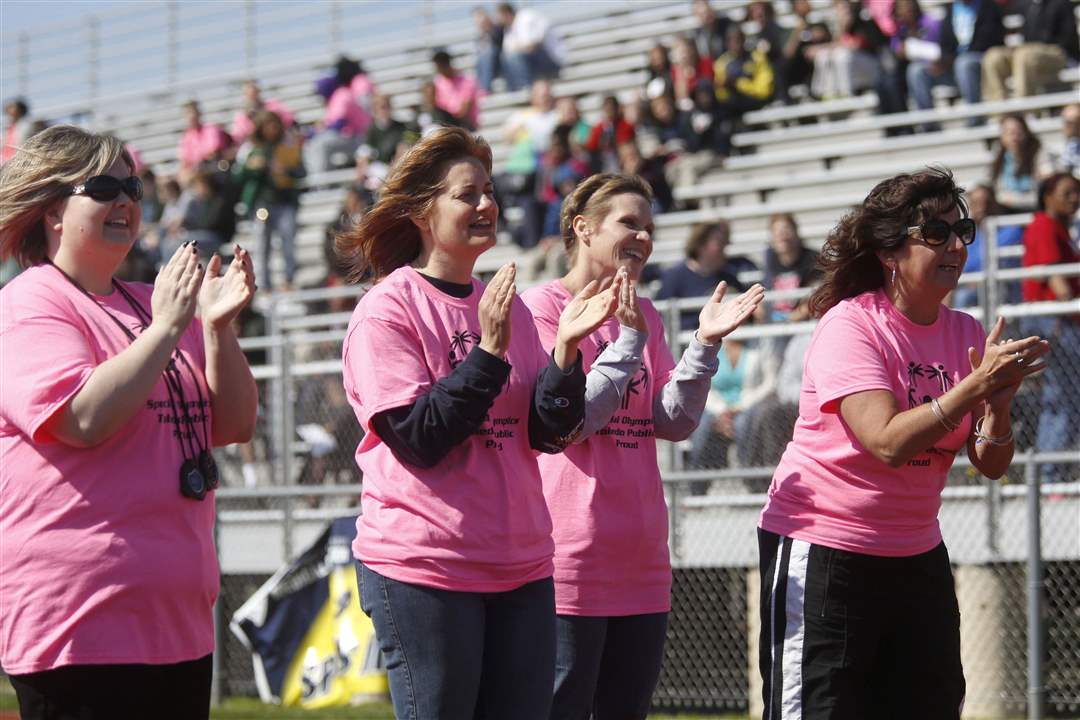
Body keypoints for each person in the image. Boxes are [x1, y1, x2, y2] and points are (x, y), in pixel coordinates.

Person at [334, 127, 621, 719]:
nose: (487, 204)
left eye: (489, 191)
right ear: (421, 211)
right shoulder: (387, 309)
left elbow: (546, 434)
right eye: (468, 195)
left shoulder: (506, 304)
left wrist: (566, 354)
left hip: (521, 567)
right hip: (425, 569)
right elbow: (420, 438)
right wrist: (487, 354)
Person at [758, 167, 1050, 718]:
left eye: (961, 230)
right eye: (934, 233)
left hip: (916, 557)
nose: (954, 246)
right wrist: (973, 388)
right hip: (827, 551)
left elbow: (990, 463)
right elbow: (886, 441)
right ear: (890, 253)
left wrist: (1000, 404)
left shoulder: (964, 330)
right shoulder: (852, 325)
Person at [0, 125, 258, 719]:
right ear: (53, 213)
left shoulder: (153, 300)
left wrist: (216, 329)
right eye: (104, 186)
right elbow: (84, 418)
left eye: (133, 186)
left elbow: (234, 424)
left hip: (176, 623)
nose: (126, 199)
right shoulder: (29, 304)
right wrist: (168, 329)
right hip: (80, 626)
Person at [520, 173, 763, 720]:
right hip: (569, 556)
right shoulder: (539, 309)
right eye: (630, 223)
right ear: (583, 228)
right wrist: (627, 342)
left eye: (650, 229)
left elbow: (670, 422)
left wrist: (703, 346)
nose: (644, 239)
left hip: (642, 556)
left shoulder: (645, 314)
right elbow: (570, 422)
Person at [1020, 172, 1079, 483]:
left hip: (1059, 320)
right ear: (1048, 195)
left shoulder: (1060, 228)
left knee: (1065, 396)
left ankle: (1053, 473)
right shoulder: (1043, 225)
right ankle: (1050, 476)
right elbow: (1056, 279)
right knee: (1062, 396)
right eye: (1068, 192)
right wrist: (1070, 305)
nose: (1075, 198)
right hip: (1055, 321)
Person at [233, 110, 305, 292]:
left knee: (288, 240)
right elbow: (238, 176)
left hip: (284, 201)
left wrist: (285, 170)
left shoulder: (287, 146)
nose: (271, 129)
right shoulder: (252, 149)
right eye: (267, 125)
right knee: (262, 242)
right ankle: (264, 284)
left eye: (274, 125)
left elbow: (301, 171)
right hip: (263, 204)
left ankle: (289, 279)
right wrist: (254, 168)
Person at [656, 220, 755, 329]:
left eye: (724, 242)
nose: (724, 247)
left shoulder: (729, 277)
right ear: (700, 245)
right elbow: (660, 316)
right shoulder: (674, 277)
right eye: (718, 242)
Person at [981, 0, 1079, 103]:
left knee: (1024, 54)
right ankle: (1002, 113)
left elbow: (1067, 40)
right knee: (993, 56)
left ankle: (1023, 110)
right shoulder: (1024, 4)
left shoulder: (1061, 3)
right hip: (1026, 52)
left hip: (1057, 54)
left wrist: (1038, 47)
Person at [950, 182, 1023, 307]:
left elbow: (994, 265)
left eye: (986, 202)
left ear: (995, 204)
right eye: (976, 203)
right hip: (973, 288)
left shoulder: (1011, 231)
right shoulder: (968, 236)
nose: (982, 207)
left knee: (963, 297)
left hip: (1003, 289)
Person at [936, 0, 1005, 111]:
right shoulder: (950, 9)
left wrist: (955, 59)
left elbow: (990, 38)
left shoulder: (988, 6)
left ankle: (975, 116)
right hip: (954, 63)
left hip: (983, 58)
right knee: (917, 71)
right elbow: (945, 42)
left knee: (964, 63)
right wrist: (944, 59)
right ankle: (928, 126)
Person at [989, 113, 1050, 212]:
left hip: (1034, 207)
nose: (1014, 136)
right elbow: (991, 184)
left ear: (1026, 132)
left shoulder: (1039, 152)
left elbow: (1046, 182)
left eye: (1017, 131)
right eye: (1009, 132)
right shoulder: (997, 154)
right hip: (1005, 209)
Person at [497, 2, 565, 91]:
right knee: (506, 58)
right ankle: (514, 90)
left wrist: (518, 49)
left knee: (515, 57)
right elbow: (508, 51)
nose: (498, 20)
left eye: (499, 16)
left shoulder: (526, 18)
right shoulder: (509, 29)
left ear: (506, 13)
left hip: (552, 60)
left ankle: (526, 87)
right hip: (533, 61)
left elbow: (534, 45)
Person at [176, 100, 231, 183]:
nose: (191, 116)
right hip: (196, 174)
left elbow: (213, 154)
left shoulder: (211, 129)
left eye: (193, 112)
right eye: (188, 113)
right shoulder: (186, 137)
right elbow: (184, 162)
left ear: (199, 113)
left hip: (212, 169)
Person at [230, 79, 294, 146]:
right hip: (256, 143)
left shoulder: (273, 105)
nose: (253, 93)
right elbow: (238, 135)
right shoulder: (242, 114)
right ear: (245, 93)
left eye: (255, 90)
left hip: (277, 140)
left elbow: (288, 119)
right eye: (249, 91)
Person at [432, 49, 482, 131]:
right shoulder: (437, 82)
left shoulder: (467, 80)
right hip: (447, 122)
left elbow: (465, 110)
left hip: (465, 124)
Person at [2, 97, 33, 164]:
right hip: (4, 160)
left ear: (20, 109)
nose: (9, 109)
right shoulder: (6, 127)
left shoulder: (28, 125)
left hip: (19, 160)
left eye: (12, 106)